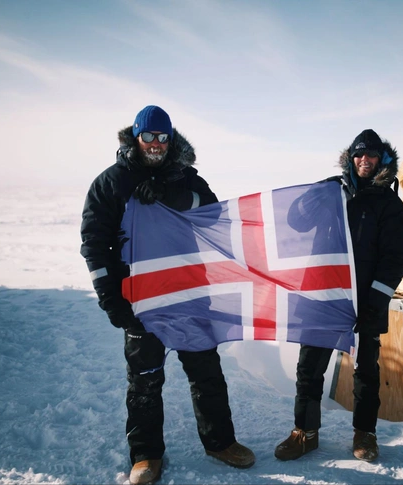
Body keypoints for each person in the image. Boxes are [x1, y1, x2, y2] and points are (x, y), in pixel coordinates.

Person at [80, 105, 255, 485]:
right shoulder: (111, 183)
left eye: (163, 138)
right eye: (149, 137)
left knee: (206, 372)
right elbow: (95, 243)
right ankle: (146, 455)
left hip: (189, 295)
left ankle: (220, 442)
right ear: (136, 137)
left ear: (170, 140)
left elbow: (213, 215)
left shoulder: (188, 179)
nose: (156, 145)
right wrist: (110, 297)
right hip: (140, 299)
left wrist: (171, 194)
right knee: (144, 379)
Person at [275, 129, 403, 462]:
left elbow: (396, 257)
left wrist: (376, 301)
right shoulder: (331, 191)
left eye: (372, 156)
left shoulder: (389, 204)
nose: (364, 161)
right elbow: (295, 221)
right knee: (309, 367)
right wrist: (309, 198)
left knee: (365, 370)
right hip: (324, 295)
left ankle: (365, 434)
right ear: (351, 158)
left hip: (367, 299)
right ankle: (305, 433)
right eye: (359, 155)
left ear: (383, 159)